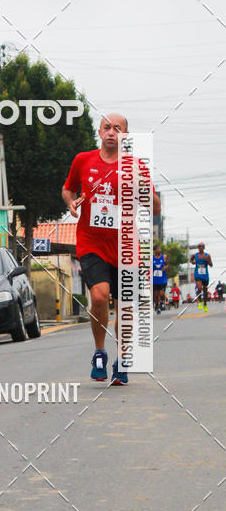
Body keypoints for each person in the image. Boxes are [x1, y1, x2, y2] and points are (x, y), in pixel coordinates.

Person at [62, 113, 161, 386]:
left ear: (125, 135)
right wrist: (71, 204)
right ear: (99, 131)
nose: (111, 132)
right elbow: (68, 189)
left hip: (126, 246)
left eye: (118, 128)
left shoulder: (136, 166)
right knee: (100, 295)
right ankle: (99, 351)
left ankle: (122, 359)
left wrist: (143, 188)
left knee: (125, 308)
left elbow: (155, 208)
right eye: (107, 127)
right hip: (91, 242)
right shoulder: (83, 160)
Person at [190, 242, 213, 311]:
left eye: (202, 246)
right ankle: (200, 302)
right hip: (197, 274)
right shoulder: (195, 255)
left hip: (205, 275)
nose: (201, 248)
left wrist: (207, 261)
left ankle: (205, 304)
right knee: (199, 288)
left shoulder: (207, 255)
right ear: (198, 248)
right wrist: (193, 262)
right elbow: (191, 260)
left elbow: (211, 265)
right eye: (199, 246)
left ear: (204, 248)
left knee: (205, 290)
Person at [152, 243, 168, 314]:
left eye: (160, 249)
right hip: (154, 279)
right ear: (155, 250)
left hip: (162, 279)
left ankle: (162, 302)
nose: (160, 250)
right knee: (155, 295)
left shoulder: (164, 257)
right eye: (158, 249)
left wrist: (165, 267)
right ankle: (157, 306)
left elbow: (167, 264)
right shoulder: (151, 258)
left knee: (161, 293)